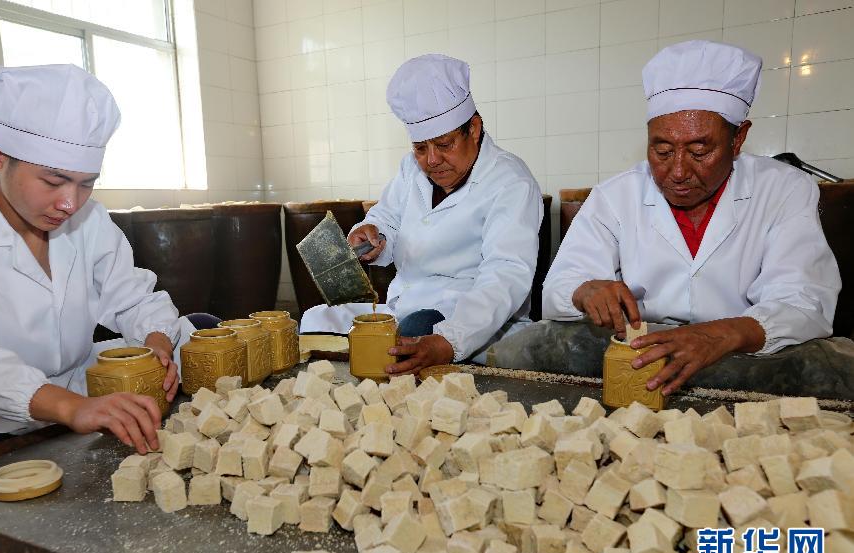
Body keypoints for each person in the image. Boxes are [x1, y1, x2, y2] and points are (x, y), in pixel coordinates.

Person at [541, 40, 841, 396]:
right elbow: (557, 289)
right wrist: (585, 290)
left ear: (738, 138)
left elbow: (804, 301)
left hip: (744, 354)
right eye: (662, 150)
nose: (678, 171)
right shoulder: (615, 196)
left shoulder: (784, 189)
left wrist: (720, 335)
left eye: (700, 150)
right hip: (642, 351)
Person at [0, 64, 195, 458]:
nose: (69, 203)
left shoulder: (90, 219)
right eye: (52, 181)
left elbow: (133, 299)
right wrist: (70, 407)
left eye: (86, 184)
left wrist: (157, 347)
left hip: (80, 405)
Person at [301, 54, 543, 375]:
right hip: (402, 307)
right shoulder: (410, 170)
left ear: (473, 128)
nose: (431, 160)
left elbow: (505, 275)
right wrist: (373, 233)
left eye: (443, 145)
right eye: (420, 148)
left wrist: (449, 340)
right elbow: (386, 217)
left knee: (414, 331)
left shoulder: (510, 181)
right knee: (316, 320)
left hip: (467, 318)